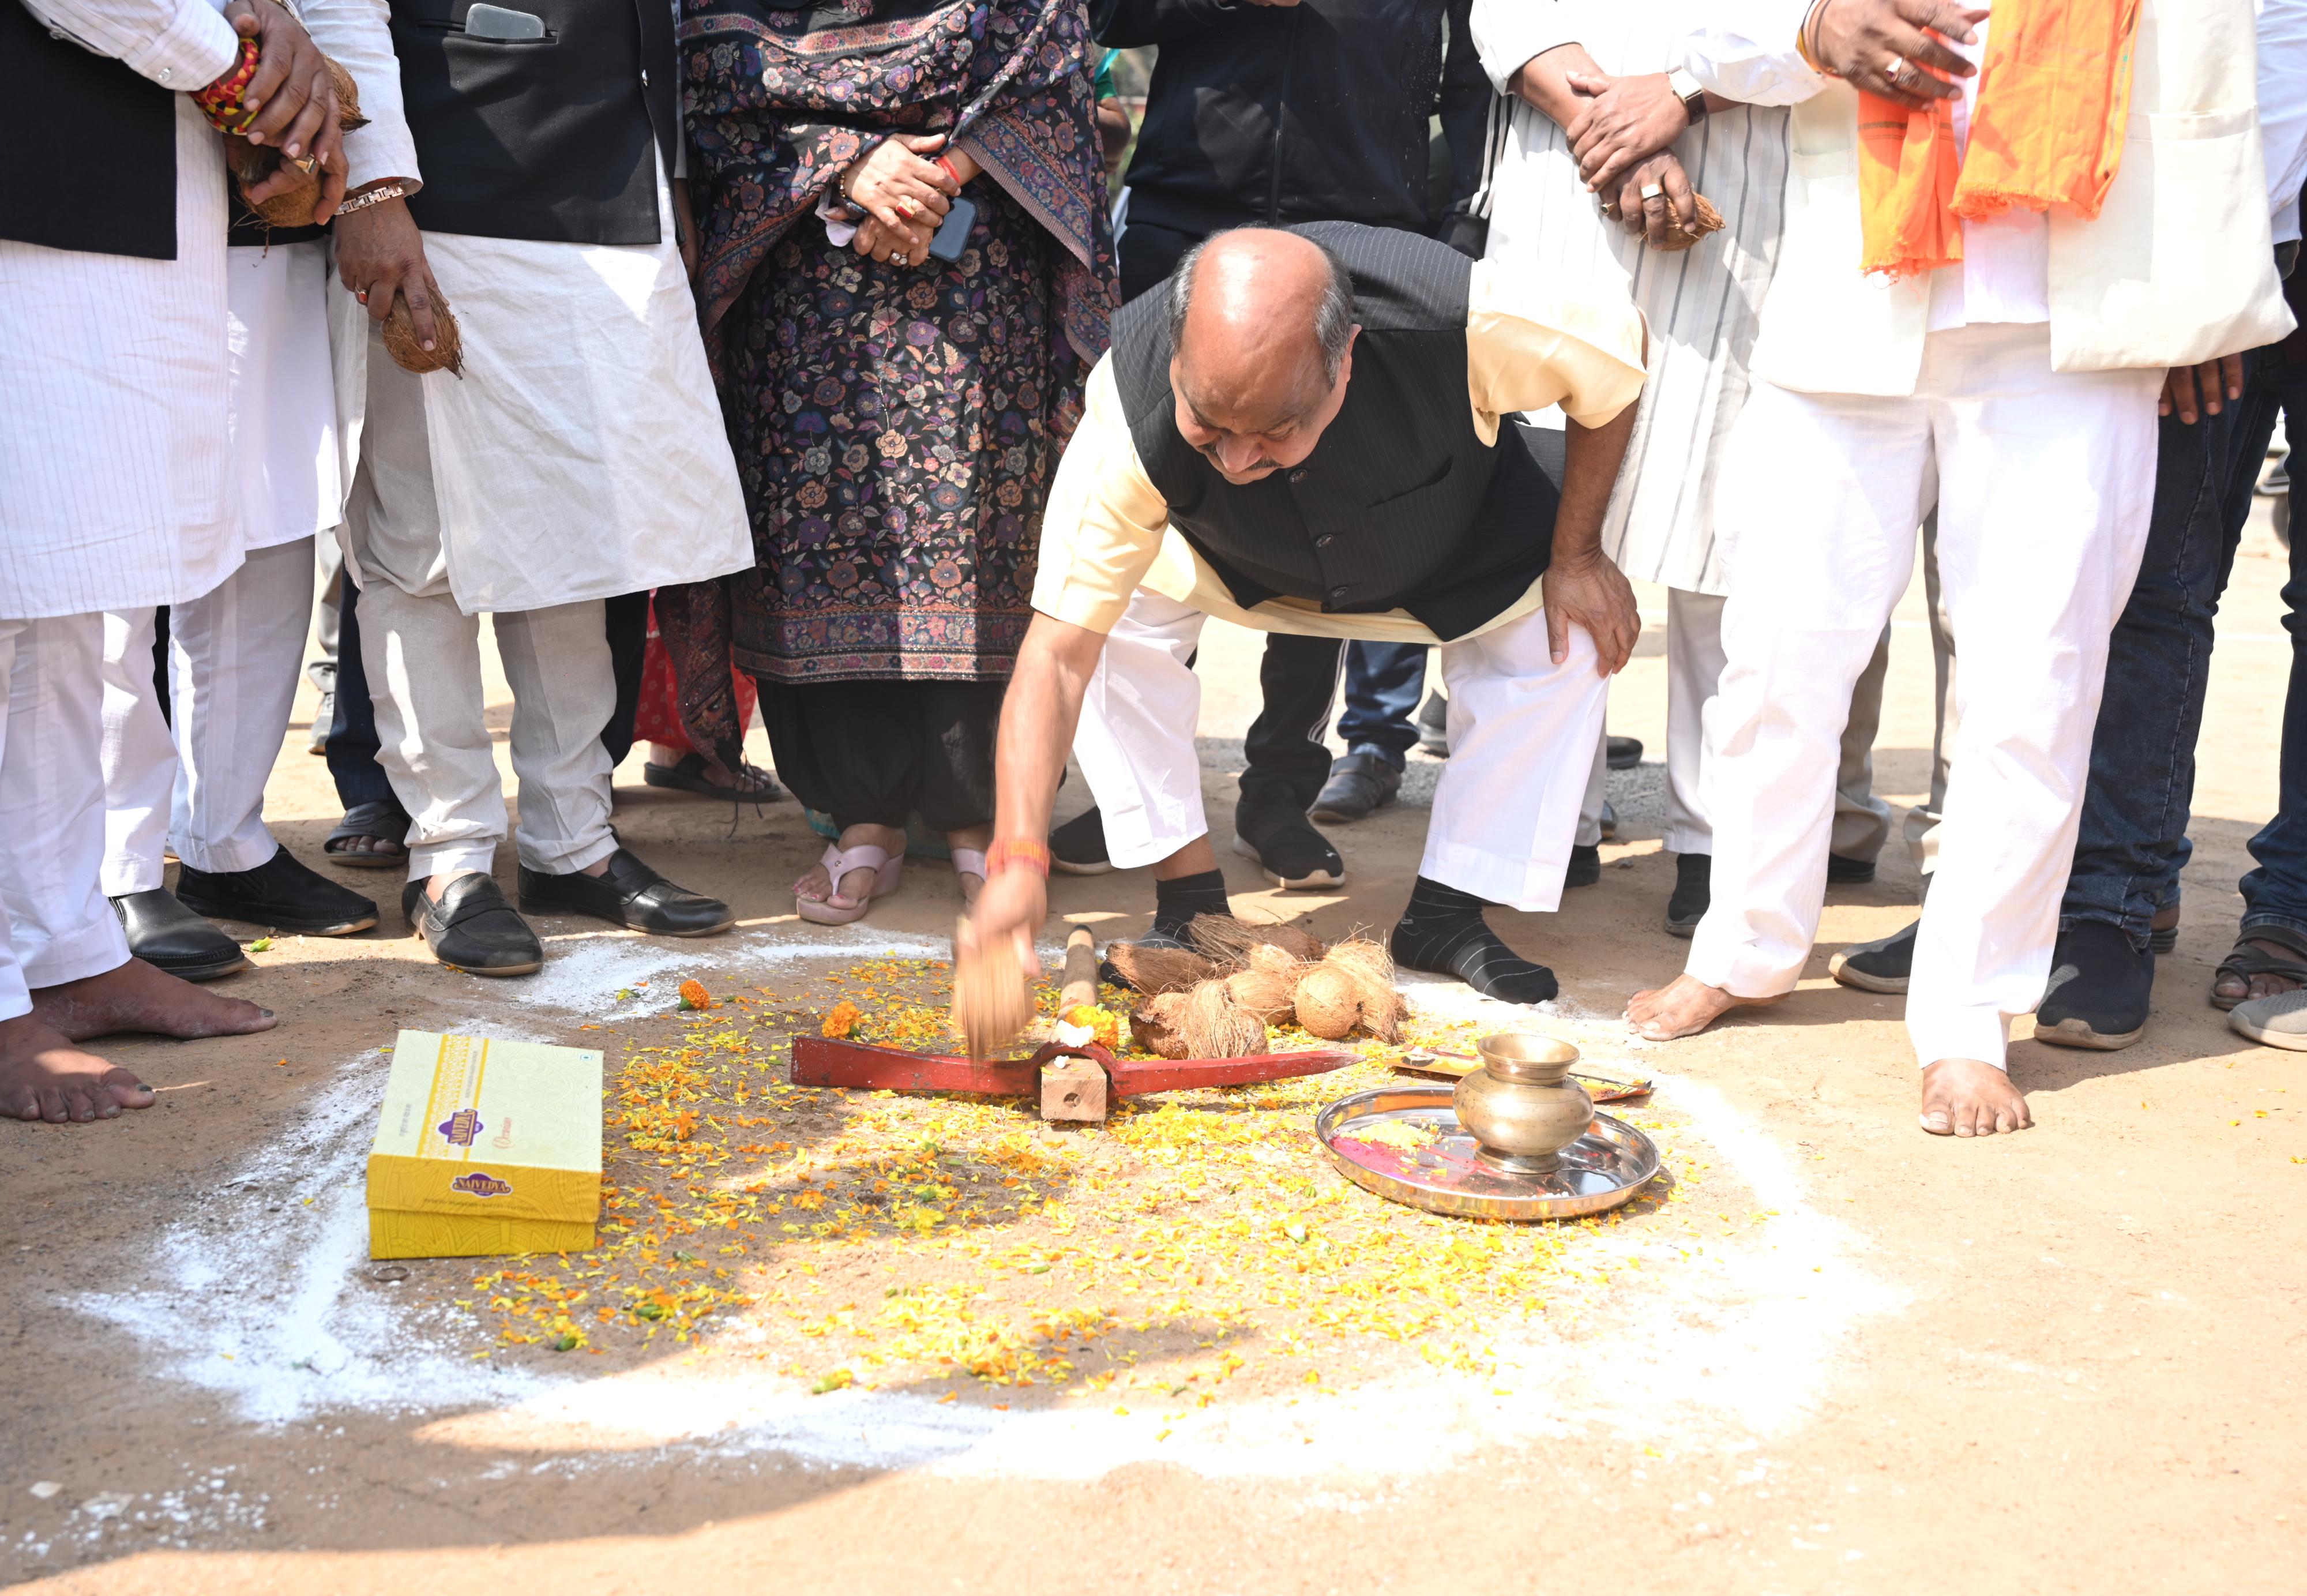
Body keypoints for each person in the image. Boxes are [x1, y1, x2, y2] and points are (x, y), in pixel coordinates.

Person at [1626, 0, 2294, 1136]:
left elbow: (2264, 66)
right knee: (1779, 653)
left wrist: (2216, 279)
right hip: (1851, 303)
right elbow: (1710, 27)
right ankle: (1742, 947)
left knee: (2030, 687)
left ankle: (1968, 1019)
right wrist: (1812, 26)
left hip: (2082, 325)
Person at [960, 224, 1647, 1002]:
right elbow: (1054, 659)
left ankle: (1448, 911)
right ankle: (1189, 904)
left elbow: (1617, 363)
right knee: (1105, 621)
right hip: (1233, 558)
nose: (1238, 461)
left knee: (1576, 631)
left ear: (1345, 359)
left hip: (1455, 543)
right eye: (1209, 426)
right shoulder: (1128, 407)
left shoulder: (1466, 322)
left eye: (1276, 431)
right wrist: (1017, 861)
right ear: (1179, 359)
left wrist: (1579, 555)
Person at [0, 0, 347, 1120]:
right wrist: (236, 64)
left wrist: (258, 53)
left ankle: (61, 947)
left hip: (117, 168)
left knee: (66, 592)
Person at [672, 0, 1117, 924]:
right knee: (827, 536)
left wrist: (939, 177)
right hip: (806, 289)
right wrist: (850, 164)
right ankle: (860, 818)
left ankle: (979, 821)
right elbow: (718, 68)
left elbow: (1048, 59)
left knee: (979, 535)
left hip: (983, 269)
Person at [337, 0, 754, 975]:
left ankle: (574, 842)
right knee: (423, 546)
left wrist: (672, 173)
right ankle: (448, 857)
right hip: (443, 180)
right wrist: (371, 190)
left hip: (615, 182)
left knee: (581, 536)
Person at [1467, 0, 1900, 936]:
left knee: (1730, 530)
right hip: (1563, 170)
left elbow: (1832, 26)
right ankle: (1548, 814)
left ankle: (1713, 841)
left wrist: (1682, 99)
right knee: (1546, 512)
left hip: (1749, 187)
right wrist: (1615, 132)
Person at [1050, 0, 1497, 891]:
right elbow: (1099, 17)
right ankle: (1144, 794)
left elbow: (1474, 70)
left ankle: (1280, 791)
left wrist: (1461, 230)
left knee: (1330, 510)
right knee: (1161, 512)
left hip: (1372, 229)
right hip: (1186, 217)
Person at [100, 0, 418, 981]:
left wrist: (367, 182)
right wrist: (250, 79)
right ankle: (110, 865)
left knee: (269, 543)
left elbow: (343, 13)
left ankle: (225, 845)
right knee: (113, 559)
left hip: (278, 224)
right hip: (108, 182)